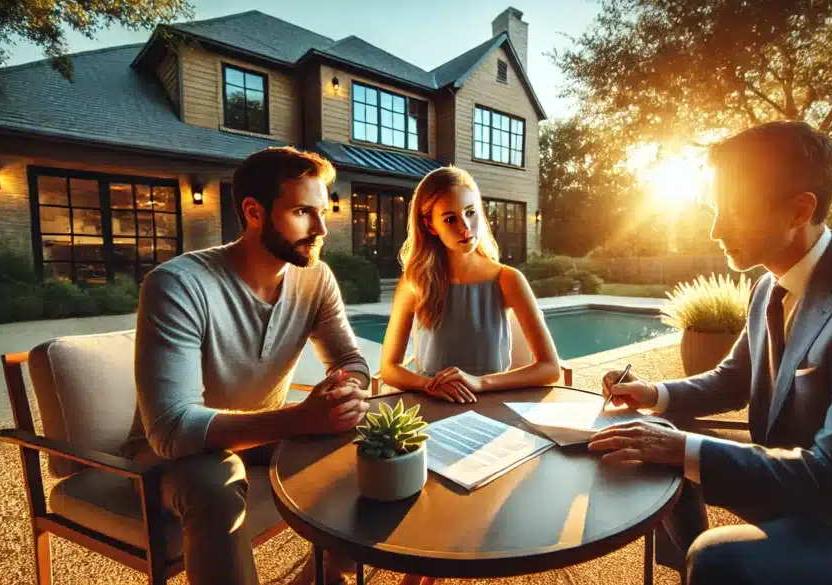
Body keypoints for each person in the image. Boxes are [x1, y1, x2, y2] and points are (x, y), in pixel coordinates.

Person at [590, 122, 832, 585]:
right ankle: (687, 573)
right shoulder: (768, 286)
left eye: (734, 212)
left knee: (721, 557)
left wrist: (685, 449)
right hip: (809, 484)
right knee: (663, 440)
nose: (716, 230)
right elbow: (734, 378)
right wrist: (652, 394)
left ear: (800, 210)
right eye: (713, 210)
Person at [133, 146, 371, 585]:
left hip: (262, 433)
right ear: (253, 211)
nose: (321, 228)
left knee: (365, 431)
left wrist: (346, 390)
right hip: (171, 455)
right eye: (303, 211)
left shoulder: (316, 278)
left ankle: (330, 576)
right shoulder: (178, 286)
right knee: (216, 481)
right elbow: (171, 429)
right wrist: (299, 419)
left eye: (322, 212)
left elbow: (351, 360)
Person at [379, 166, 561, 403]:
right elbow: (389, 368)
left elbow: (550, 368)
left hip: (492, 406)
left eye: (470, 212)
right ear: (430, 225)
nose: (465, 226)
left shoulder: (508, 279)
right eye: (450, 218)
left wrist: (480, 382)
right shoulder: (414, 282)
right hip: (431, 407)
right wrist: (428, 385)